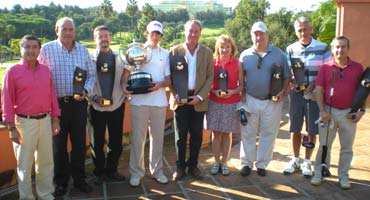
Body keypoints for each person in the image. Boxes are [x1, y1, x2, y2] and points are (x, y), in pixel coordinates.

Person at [39, 17, 96, 196]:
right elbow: (39, 76)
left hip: (78, 105)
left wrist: (85, 91)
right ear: (57, 30)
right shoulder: (46, 50)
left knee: (79, 144)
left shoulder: (83, 50)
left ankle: (79, 179)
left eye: (71, 29)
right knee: (59, 147)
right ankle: (61, 182)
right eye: (64, 29)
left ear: (75, 31)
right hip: (56, 106)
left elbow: (92, 75)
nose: (68, 32)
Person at [1, 35, 61, 200]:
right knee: (25, 165)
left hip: (45, 120)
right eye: (27, 47)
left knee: (46, 162)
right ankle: (26, 197)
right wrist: (11, 128)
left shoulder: (45, 70)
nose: (31, 50)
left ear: (39, 50)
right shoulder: (12, 72)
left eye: (34, 47)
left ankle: (45, 193)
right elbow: (6, 101)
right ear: (21, 49)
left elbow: (51, 95)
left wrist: (55, 119)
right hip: (23, 124)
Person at [311, 36, 365, 189]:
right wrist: (322, 111)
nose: (340, 50)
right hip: (329, 112)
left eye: (343, 47)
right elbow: (319, 90)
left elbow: (363, 91)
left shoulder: (357, 67)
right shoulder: (325, 67)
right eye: (337, 47)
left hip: (349, 114)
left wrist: (361, 111)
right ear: (332, 49)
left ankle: (343, 176)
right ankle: (319, 173)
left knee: (347, 148)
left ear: (348, 48)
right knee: (324, 146)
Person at [239, 21, 291, 177]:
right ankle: (246, 163)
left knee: (268, 133)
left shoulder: (279, 54)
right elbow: (241, 78)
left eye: (261, 33)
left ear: (267, 35)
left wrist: (283, 92)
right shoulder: (245, 55)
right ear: (251, 36)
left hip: (272, 101)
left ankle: (262, 164)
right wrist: (241, 93)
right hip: (250, 98)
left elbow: (287, 77)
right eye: (255, 34)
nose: (258, 37)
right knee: (248, 133)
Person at [122, 21, 171, 187]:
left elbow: (169, 78)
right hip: (139, 102)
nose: (155, 36)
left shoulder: (165, 54)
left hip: (158, 101)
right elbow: (126, 72)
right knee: (138, 139)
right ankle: (136, 173)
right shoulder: (137, 50)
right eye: (152, 33)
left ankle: (157, 171)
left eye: (158, 33)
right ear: (147, 33)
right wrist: (124, 86)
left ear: (161, 35)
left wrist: (160, 84)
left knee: (158, 139)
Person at [284, 17, 331, 177]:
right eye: (299, 30)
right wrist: (292, 82)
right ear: (296, 32)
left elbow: (327, 71)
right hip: (296, 94)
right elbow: (287, 72)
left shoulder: (322, 48)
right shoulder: (290, 49)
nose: (303, 32)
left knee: (312, 129)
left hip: (314, 95)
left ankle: (307, 162)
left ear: (311, 29)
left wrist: (314, 85)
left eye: (305, 29)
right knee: (295, 128)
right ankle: (296, 159)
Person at [169, 19, 214, 180]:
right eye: (190, 31)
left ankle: (193, 166)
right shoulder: (174, 51)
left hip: (198, 100)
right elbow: (170, 78)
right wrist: (175, 94)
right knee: (180, 136)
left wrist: (200, 96)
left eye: (196, 31)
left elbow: (210, 77)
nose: (193, 34)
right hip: (179, 99)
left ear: (200, 33)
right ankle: (180, 167)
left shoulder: (207, 53)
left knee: (197, 136)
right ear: (185, 32)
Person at [88, 25, 126, 184]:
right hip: (96, 106)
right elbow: (84, 81)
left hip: (116, 105)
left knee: (116, 142)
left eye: (106, 36)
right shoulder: (88, 59)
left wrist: (126, 90)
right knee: (96, 142)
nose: (103, 39)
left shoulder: (120, 57)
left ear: (110, 37)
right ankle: (99, 172)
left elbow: (127, 75)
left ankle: (112, 170)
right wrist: (93, 97)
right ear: (95, 39)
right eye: (100, 36)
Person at [207, 34, 243, 176]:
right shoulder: (212, 63)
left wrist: (232, 91)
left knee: (227, 133)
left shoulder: (237, 63)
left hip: (231, 102)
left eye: (227, 47)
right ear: (217, 48)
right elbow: (207, 83)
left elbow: (242, 86)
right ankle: (216, 162)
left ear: (231, 48)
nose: (224, 49)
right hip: (214, 102)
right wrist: (213, 91)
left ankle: (224, 162)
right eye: (222, 47)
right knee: (216, 133)